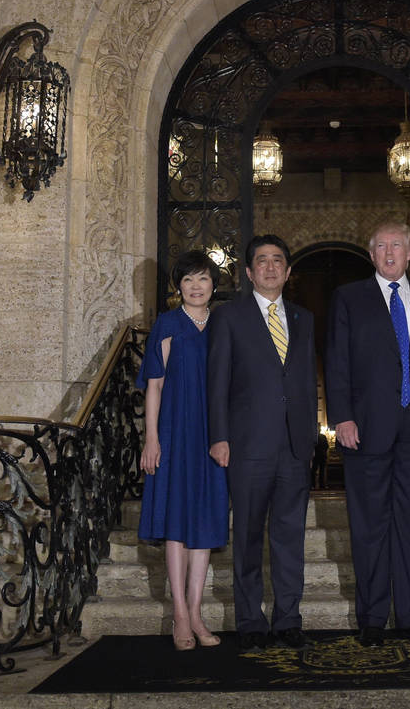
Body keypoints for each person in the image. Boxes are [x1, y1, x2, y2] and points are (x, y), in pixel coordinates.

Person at [325, 221, 410, 647]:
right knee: (369, 527)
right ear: (371, 253)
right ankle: (373, 618)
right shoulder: (349, 298)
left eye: (397, 245)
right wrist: (341, 417)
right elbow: (336, 361)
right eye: (381, 246)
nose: (390, 252)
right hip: (366, 429)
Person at [207, 235, 318, 651]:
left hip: (294, 446)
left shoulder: (304, 318)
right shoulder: (228, 317)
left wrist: (310, 437)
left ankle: (288, 620)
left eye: (277, 261)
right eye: (262, 261)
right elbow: (217, 382)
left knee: (290, 538)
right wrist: (219, 436)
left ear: (288, 272)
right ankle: (250, 622)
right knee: (249, 537)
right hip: (247, 444)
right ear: (249, 273)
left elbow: (305, 379)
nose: (270, 267)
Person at [136, 250, 229, 651]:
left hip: (212, 435)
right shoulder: (168, 324)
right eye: (188, 279)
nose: (195, 286)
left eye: (203, 278)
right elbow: (154, 385)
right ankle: (179, 613)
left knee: (204, 521)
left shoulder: (223, 325)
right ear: (179, 286)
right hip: (174, 432)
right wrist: (151, 438)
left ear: (214, 285)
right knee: (176, 522)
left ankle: (196, 611)